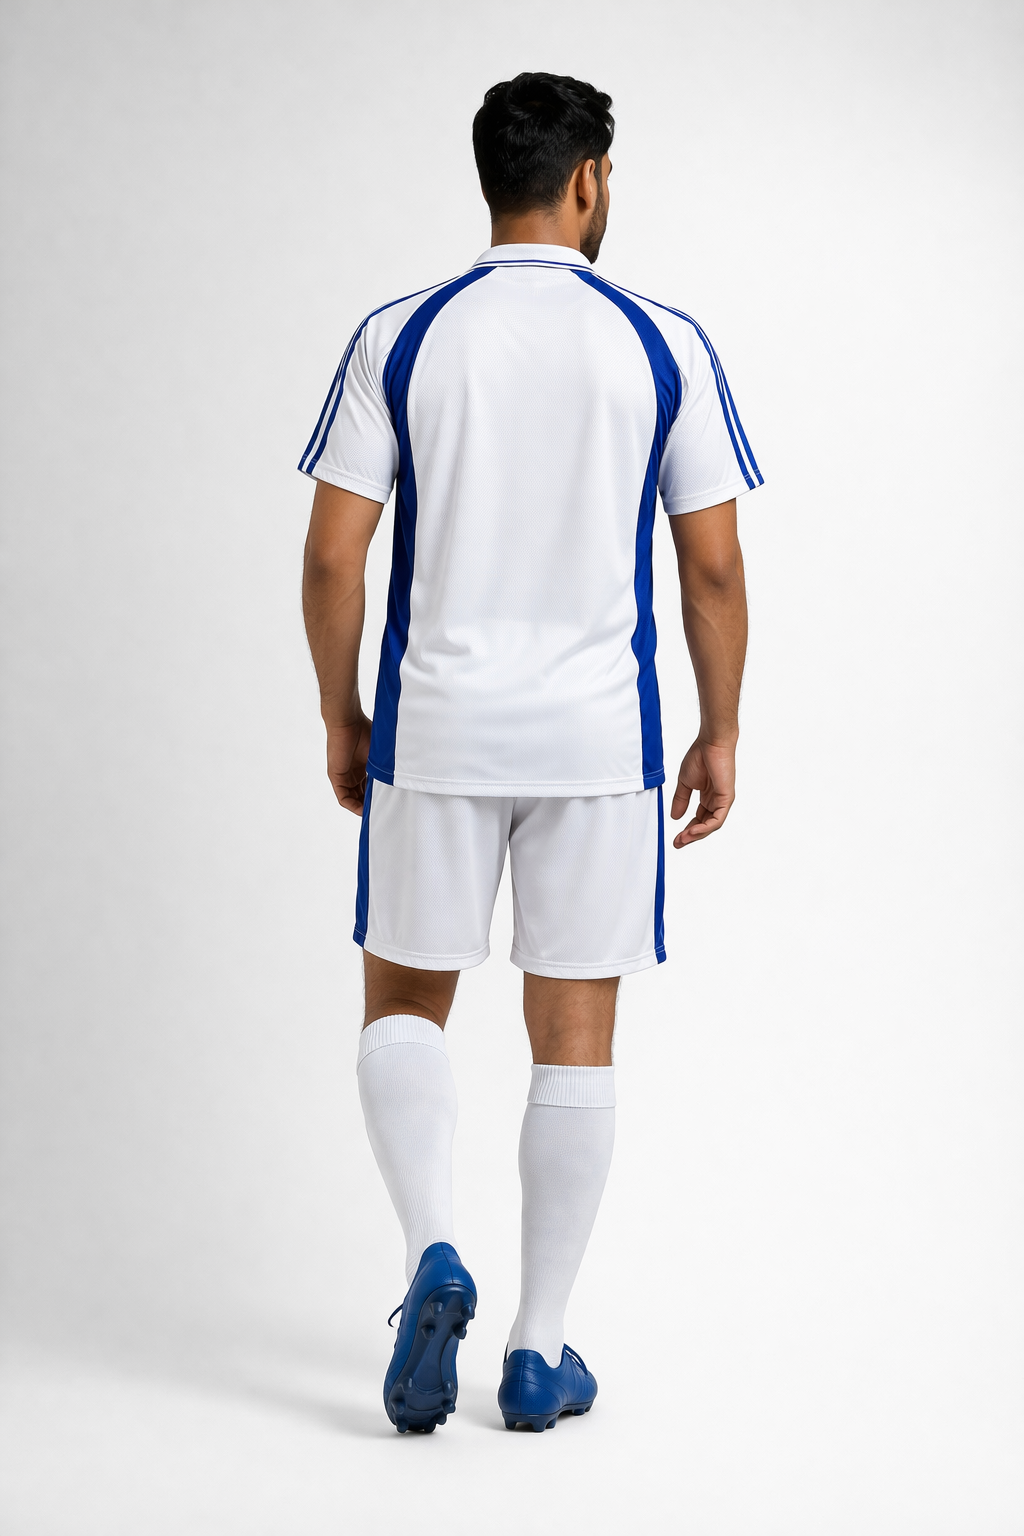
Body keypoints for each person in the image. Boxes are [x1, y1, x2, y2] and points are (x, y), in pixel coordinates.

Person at [299, 72, 761, 1435]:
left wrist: (341, 713)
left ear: (493, 175)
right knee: (575, 1044)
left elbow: (332, 558)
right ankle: (538, 1350)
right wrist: (721, 727)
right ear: (589, 178)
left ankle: (433, 1253)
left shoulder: (402, 335)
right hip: (596, 742)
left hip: (436, 726)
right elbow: (713, 569)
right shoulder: (660, 340)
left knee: (403, 1009)